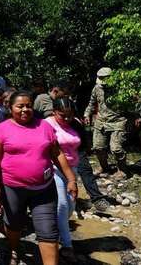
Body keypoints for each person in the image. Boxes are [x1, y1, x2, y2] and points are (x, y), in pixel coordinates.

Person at [0, 91, 78, 265]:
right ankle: (14, 248)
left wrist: (71, 179)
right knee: (14, 224)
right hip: (12, 188)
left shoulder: (44, 127)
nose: (25, 110)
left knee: (48, 230)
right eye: (20, 106)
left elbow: (57, 153)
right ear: (10, 107)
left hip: (43, 189)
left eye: (28, 105)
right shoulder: (1, 129)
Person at [86, 67, 141, 178]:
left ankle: (122, 170)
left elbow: (136, 102)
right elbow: (92, 103)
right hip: (101, 121)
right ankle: (104, 167)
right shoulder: (97, 88)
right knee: (98, 147)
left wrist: (138, 116)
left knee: (116, 148)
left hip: (118, 121)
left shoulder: (123, 89)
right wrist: (87, 114)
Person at [45, 97, 81, 261]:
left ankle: (58, 227)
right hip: (54, 168)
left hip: (73, 168)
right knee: (62, 204)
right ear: (54, 112)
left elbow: (83, 145)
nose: (67, 119)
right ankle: (67, 245)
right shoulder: (47, 124)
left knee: (71, 205)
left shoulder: (75, 123)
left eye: (70, 115)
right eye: (62, 115)